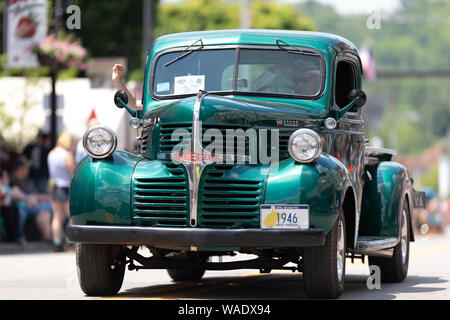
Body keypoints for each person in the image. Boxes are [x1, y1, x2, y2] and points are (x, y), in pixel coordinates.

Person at [9, 157, 52, 244]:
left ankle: (49, 237)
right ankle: (19, 236)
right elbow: (13, 194)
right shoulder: (12, 179)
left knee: (46, 208)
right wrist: (29, 198)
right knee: (22, 210)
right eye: (26, 167)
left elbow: (35, 195)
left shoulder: (28, 180)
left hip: (32, 205)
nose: (28, 169)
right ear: (21, 168)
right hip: (17, 206)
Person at [47, 132, 76, 252]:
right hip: (65, 187)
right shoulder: (67, 154)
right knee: (71, 216)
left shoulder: (51, 153)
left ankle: (57, 242)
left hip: (54, 186)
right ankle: (69, 242)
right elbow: (72, 172)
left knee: (57, 217)